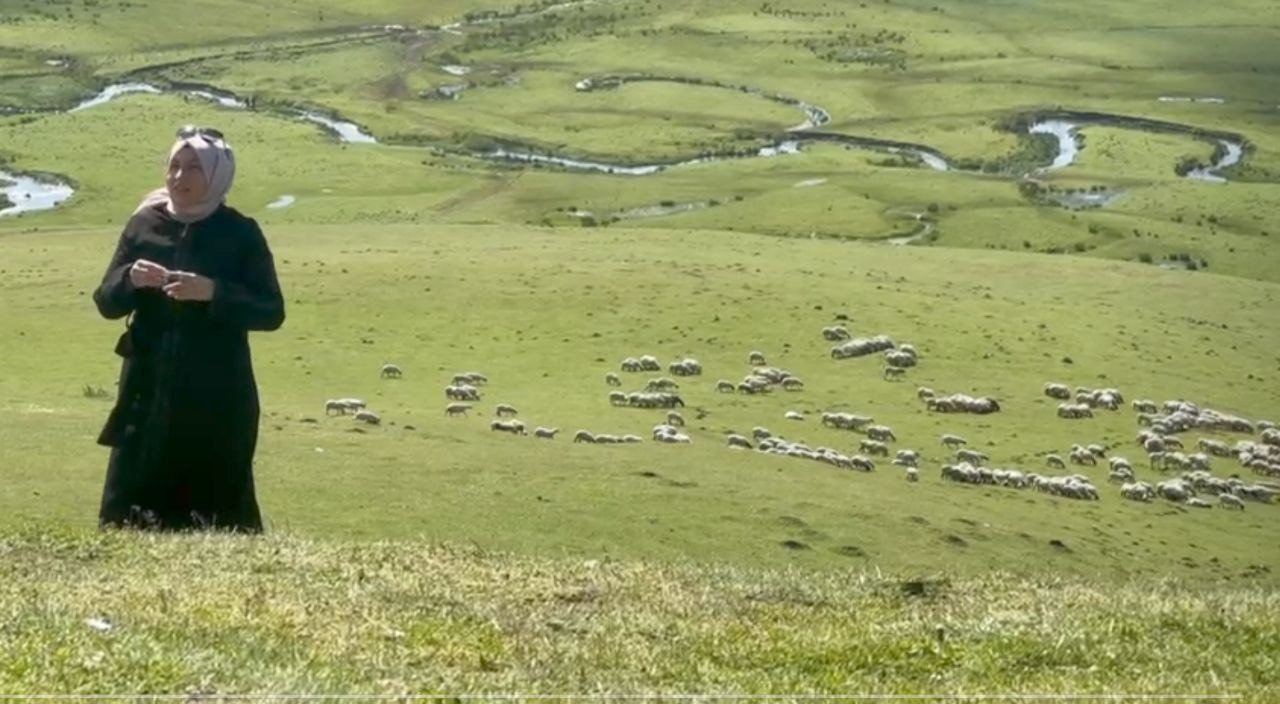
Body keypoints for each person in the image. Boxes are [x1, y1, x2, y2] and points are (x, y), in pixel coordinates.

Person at [92, 125, 285, 532]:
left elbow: (271, 311)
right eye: (173, 166)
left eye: (193, 168)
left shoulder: (240, 233)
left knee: (213, 509)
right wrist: (130, 278)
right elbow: (106, 302)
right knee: (133, 509)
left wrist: (213, 292)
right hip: (147, 388)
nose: (179, 178)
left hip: (216, 394)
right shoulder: (144, 224)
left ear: (217, 175)